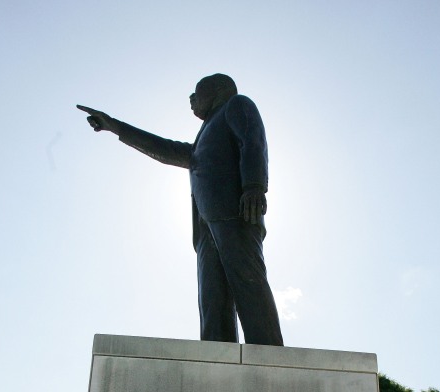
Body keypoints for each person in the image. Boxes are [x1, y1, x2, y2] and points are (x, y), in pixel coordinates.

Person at [77, 74, 284, 346]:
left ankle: (269, 352)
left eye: (198, 91)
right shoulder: (202, 139)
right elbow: (164, 149)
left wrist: (254, 187)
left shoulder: (237, 105)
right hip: (205, 227)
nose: (191, 98)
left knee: (248, 282)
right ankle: (216, 356)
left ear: (220, 90)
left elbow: (253, 141)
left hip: (237, 213)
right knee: (212, 299)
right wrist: (115, 127)